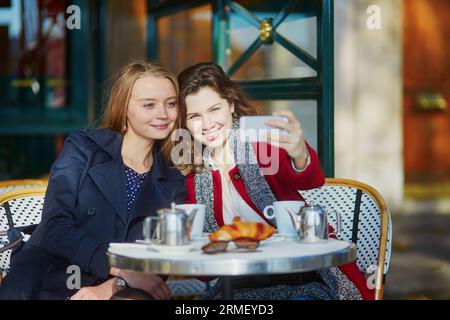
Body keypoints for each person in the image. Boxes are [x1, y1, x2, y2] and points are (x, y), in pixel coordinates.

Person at [176, 62, 374, 300]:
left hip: (307, 277)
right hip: (241, 287)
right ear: (185, 123)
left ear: (230, 104)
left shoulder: (261, 144)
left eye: (214, 109)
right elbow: (206, 270)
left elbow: (310, 179)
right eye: (195, 116)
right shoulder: (193, 175)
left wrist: (299, 151)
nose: (207, 124)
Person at [0, 61, 186, 300]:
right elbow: (54, 227)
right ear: (124, 108)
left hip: (119, 291)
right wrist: (120, 270)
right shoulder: (83, 148)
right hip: (44, 282)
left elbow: (159, 259)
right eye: (149, 105)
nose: (163, 114)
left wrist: (113, 285)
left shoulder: (172, 179)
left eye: (170, 104)